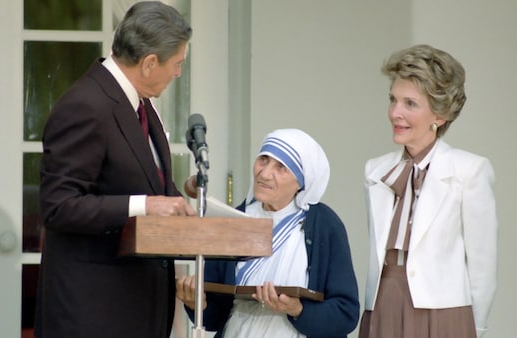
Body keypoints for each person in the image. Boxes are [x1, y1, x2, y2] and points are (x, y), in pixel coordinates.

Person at [34, 2, 195, 338]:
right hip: (93, 313)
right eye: (177, 63)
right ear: (150, 63)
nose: (178, 73)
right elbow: (59, 205)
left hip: (138, 308)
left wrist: (176, 196)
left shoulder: (140, 103)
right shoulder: (85, 105)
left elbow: (139, 180)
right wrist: (146, 205)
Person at [358, 44, 498, 338]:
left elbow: (482, 265)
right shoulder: (375, 171)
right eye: (393, 100)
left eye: (410, 103)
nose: (396, 112)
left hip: (444, 312)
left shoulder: (470, 171)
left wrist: (475, 328)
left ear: (441, 114)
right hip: (382, 303)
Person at [176, 128, 360, 338]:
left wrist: (297, 310)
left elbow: (346, 314)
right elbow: (215, 318)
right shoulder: (233, 220)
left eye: (281, 167)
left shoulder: (325, 225)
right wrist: (195, 302)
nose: (264, 174)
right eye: (263, 159)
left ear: (301, 181)